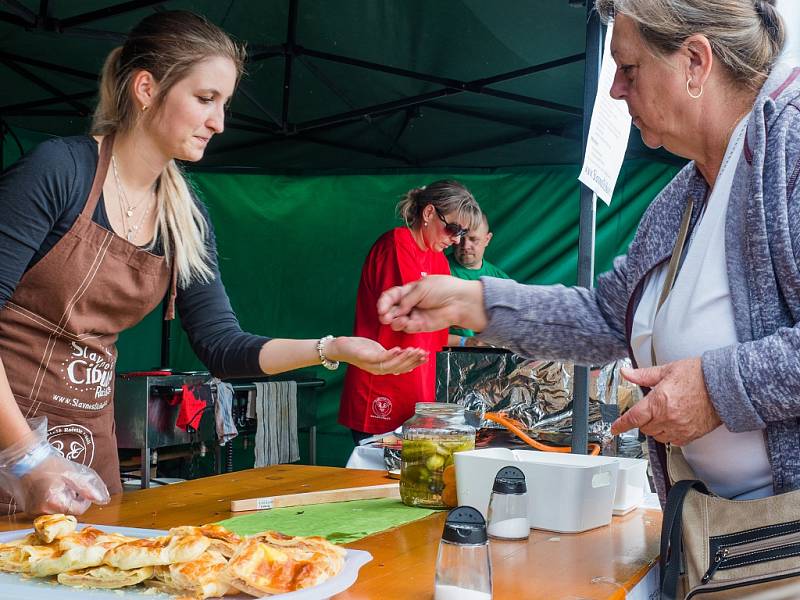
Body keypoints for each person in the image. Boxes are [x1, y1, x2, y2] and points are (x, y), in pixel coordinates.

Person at [0, 10, 427, 516]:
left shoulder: (185, 214)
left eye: (223, 104)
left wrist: (331, 348)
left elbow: (222, 345)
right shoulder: (59, 171)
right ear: (145, 88)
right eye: (205, 99)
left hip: (87, 452)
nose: (219, 122)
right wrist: (26, 457)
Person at [378, 0, 798, 504]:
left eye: (628, 69)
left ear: (695, 62)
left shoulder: (789, 150)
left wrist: (715, 389)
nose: (616, 90)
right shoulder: (682, 197)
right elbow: (605, 317)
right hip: (720, 539)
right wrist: (478, 303)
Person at [339, 181, 482, 443]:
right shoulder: (396, 242)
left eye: (462, 233)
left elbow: (434, 330)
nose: (456, 240)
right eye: (453, 228)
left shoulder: (438, 260)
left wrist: (469, 341)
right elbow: (408, 317)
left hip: (419, 397)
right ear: (428, 214)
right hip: (382, 388)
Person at [446, 213, 509, 347]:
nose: (465, 245)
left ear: (487, 239)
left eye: (473, 239)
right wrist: (465, 342)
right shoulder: (437, 268)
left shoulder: (501, 281)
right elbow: (421, 333)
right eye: (461, 237)